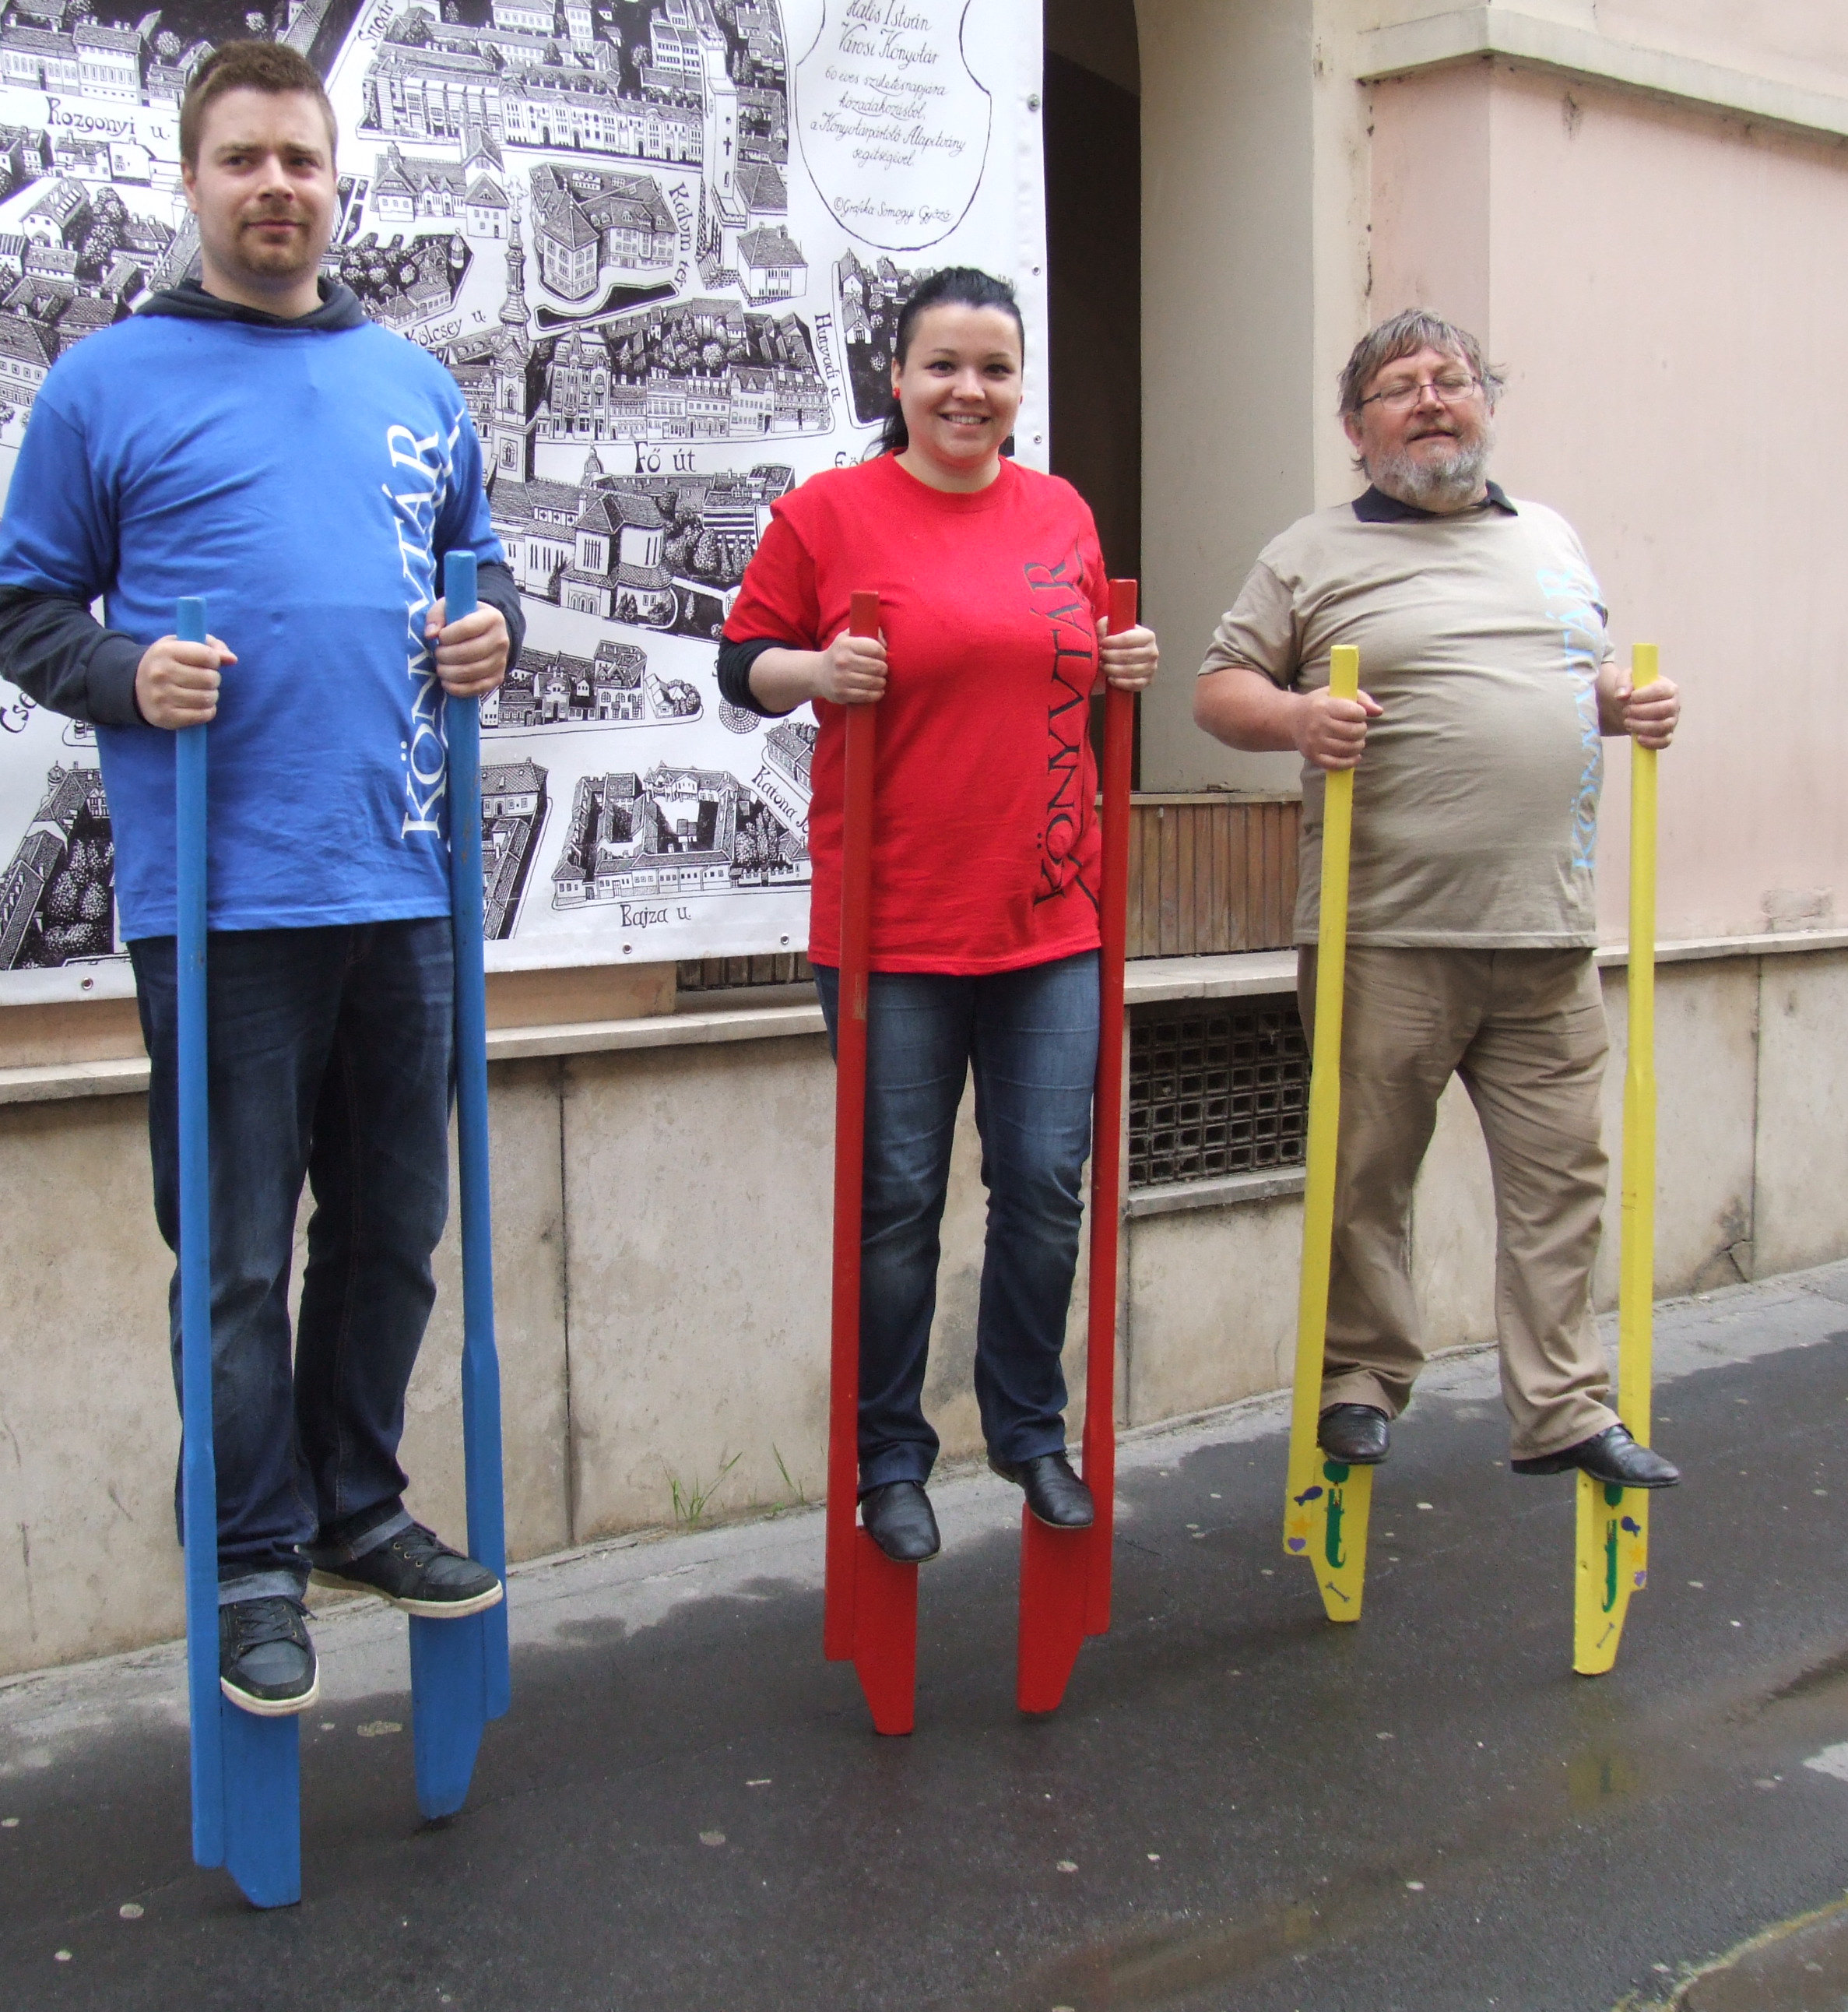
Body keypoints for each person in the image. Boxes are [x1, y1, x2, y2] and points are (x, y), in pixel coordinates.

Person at [0, 41, 524, 1716]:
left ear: (335, 179)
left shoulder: (414, 384)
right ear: (192, 181)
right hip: (222, 898)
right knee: (233, 1260)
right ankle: (248, 1556)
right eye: (243, 160)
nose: (276, 185)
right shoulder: (103, 385)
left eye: (300, 158)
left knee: (396, 1234)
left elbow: (480, 570)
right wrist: (125, 671)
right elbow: (19, 613)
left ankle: (355, 1504)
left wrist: (491, 632)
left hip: (402, 879)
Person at [1191, 308, 1683, 1490]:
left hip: (1546, 931)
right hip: (1385, 934)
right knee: (1363, 1173)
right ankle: (1360, 1380)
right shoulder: (1309, 553)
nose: (1429, 399)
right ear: (1356, 429)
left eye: (1451, 379)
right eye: (1399, 386)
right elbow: (1218, 689)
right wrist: (1298, 718)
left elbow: (1561, 679)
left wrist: (1617, 706)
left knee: (1564, 1180)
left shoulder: (1551, 539)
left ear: (1486, 406)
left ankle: (1562, 1406)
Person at [715, 268, 1159, 1562]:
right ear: (898, 378)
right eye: (943, 366)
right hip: (894, 925)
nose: (969, 391)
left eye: (994, 369)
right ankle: (890, 1458)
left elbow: (1068, 666)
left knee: (1045, 1183)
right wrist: (818, 668)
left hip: (1049, 915)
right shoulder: (828, 513)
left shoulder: (1060, 513)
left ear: (1019, 386)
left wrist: (1118, 661)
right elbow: (741, 665)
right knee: (899, 1199)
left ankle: (1026, 1427)